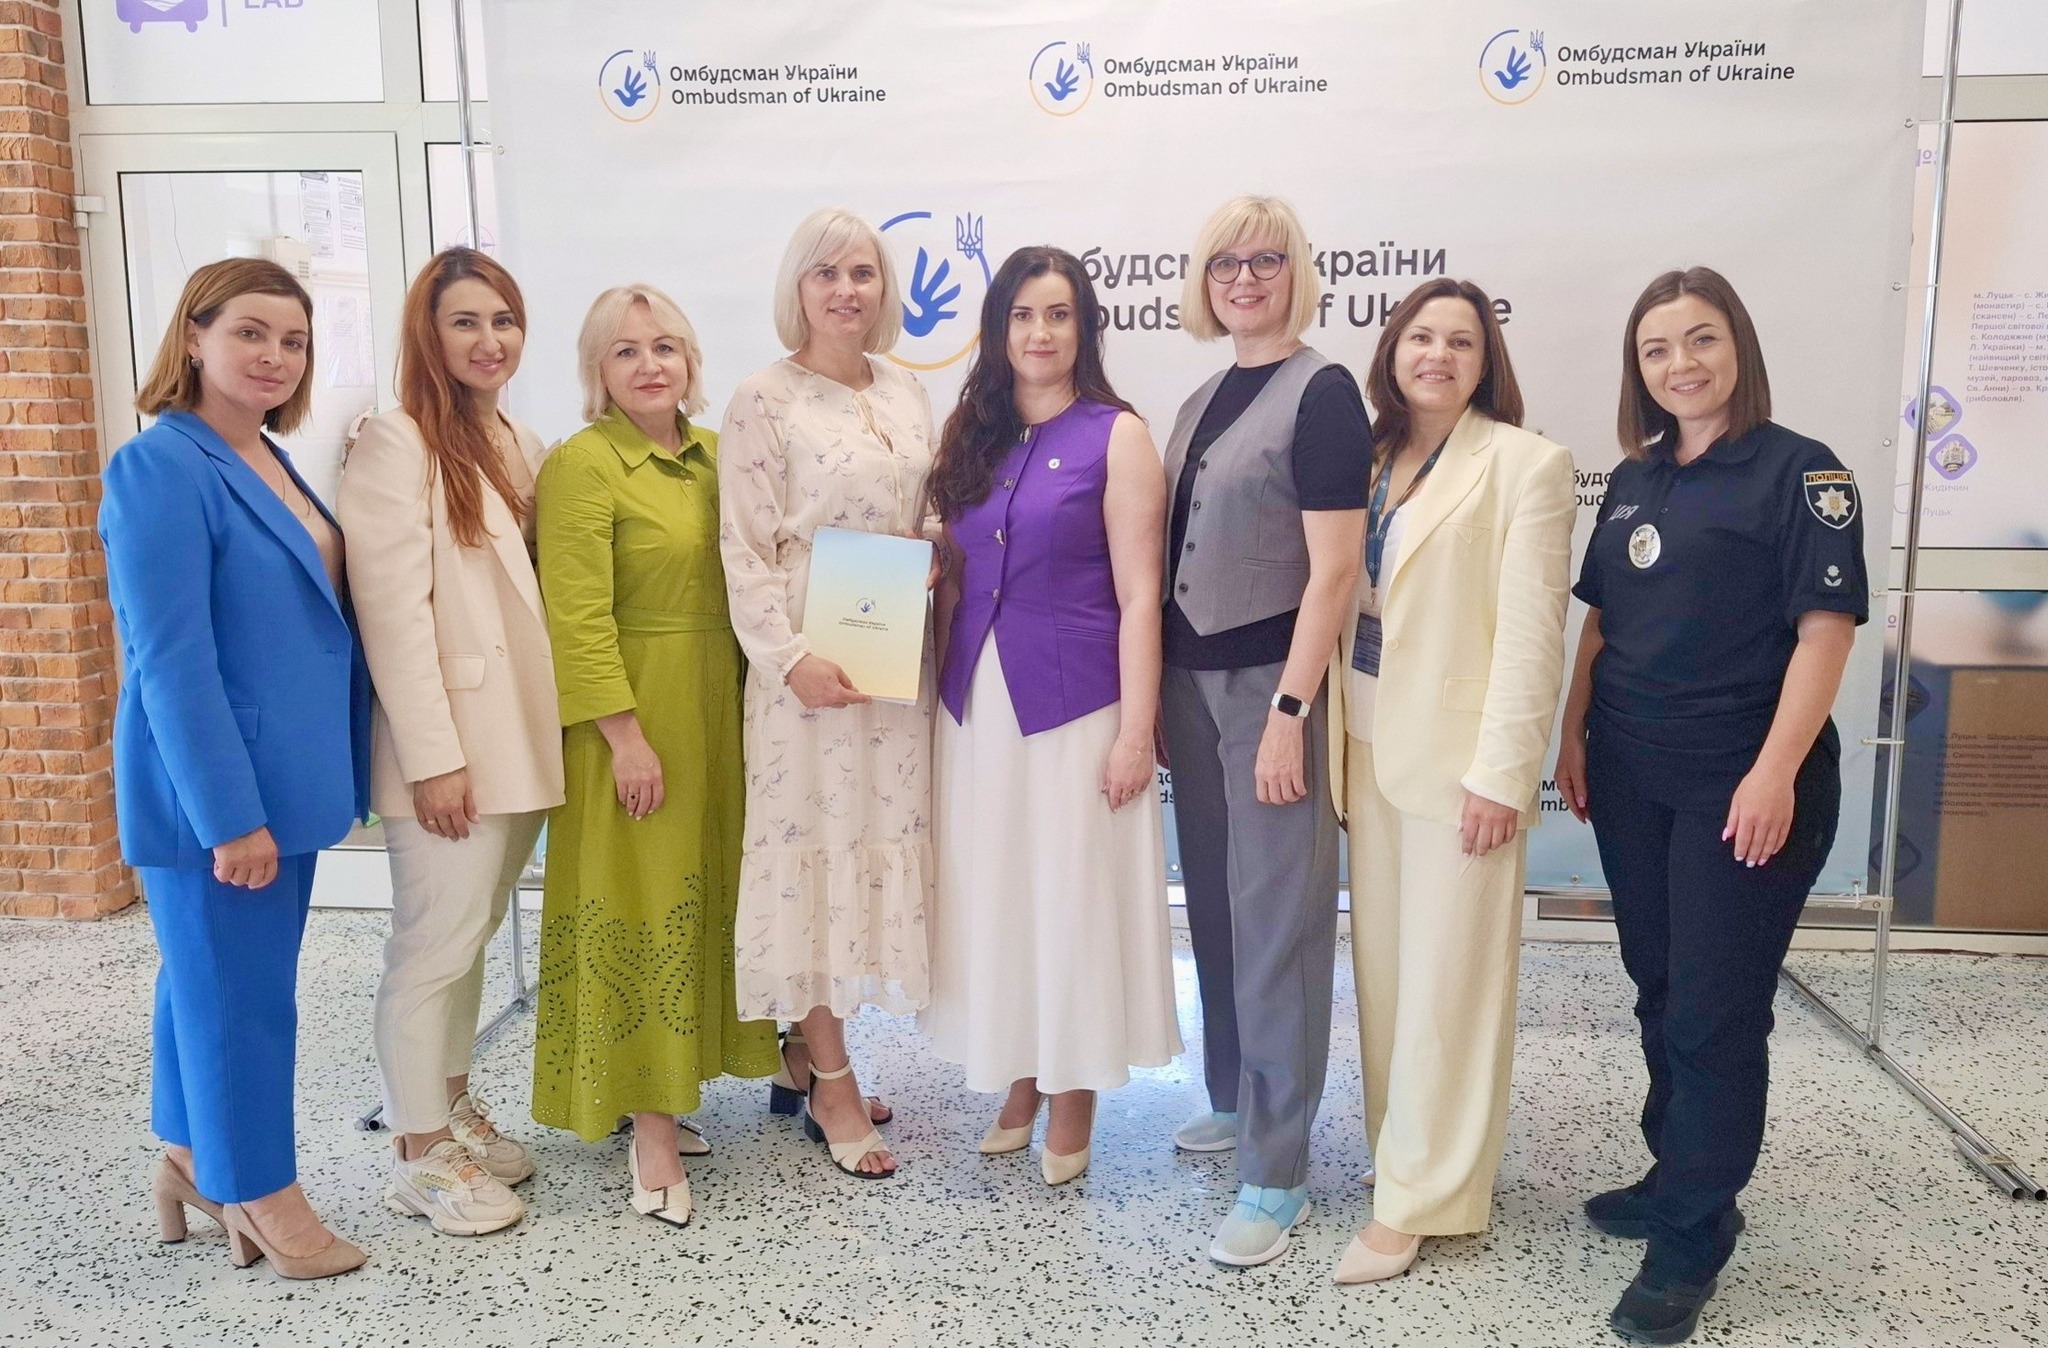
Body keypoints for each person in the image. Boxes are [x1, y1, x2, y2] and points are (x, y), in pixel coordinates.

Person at [1553, 267, 1866, 1344]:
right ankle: (1678, 1172)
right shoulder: (1635, 478)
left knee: (1713, 1012)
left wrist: (1774, 771)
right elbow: (1600, 621)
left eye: (1699, 339)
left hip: (1744, 783)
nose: (1679, 363)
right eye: (1656, 348)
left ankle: (1690, 1237)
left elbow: (1825, 633)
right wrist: (1571, 732)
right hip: (1632, 774)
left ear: (1738, 346)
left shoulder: (1801, 472)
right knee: (1659, 986)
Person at [102, 257, 372, 1279]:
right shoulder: (159, 466)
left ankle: (189, 1155)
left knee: (205, 980)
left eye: (293, 340)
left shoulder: (265, 455)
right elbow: (170, 660)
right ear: (194, 336)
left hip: (283, 780)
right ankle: (261, 1194)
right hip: (217, 796)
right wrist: (228, 817)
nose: (274, 356)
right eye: (250, 333)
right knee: (243, 1002)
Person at [1324, 279, 1576, 1284]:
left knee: (1450, 985)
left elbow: (1532, 639)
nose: (1436, 354)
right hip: (1364, 742)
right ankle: (1406, 1155)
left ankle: (1420, 1200)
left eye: (1460, 341)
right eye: (1420, 336)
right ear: (1392, 350)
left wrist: (1503, 776)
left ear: (1485, 362)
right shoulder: (1367, 460)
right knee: (1387, 978)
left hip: (1462, 761)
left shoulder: (1524, 464)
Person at [921, 247, 1183, 1185]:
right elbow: (953, 568)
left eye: (1059, 314)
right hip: (976, 706)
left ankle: (1074, 1094)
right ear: (998, 330)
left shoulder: (1119, 435)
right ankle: (1023, 1074)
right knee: (1003, 891)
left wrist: (1135, 733)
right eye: (1024, 315)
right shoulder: (971, 434)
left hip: (1077, 705)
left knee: (1071, 893)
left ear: (1085, 328)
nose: (1040, 332)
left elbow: (1142, 595)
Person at [532, 284, 781, 1226]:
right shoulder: (583, 464)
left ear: (691, 361)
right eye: (627, 350)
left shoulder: (720, 455)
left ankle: (679, 1083)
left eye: (666, 346)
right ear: (598, 369)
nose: (650, 365)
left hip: (724, 706)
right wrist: (624, 736)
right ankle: (649, 1126)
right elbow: (577, 617)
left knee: (708, 893)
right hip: (635, 719)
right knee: (640, 903)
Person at [1158, 196, 1370, 1265]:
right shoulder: (1201, 396)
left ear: (1297, 273)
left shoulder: (1323, 393)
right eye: (1225, 262)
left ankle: (1276, 1171)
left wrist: (1291, 710)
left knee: (1277, 922)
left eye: (1266, 260)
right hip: (1187, 687)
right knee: (1214, 907)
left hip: (1269, 690)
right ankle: (1235, 1098)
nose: (1244, 277)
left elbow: (1335, 572)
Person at [338, 247, 563, 1235]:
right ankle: (417, 1153)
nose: (488, 340)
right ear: (426, 334)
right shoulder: (395, 443)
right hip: (453, 745)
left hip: (519, 737)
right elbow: (392, 613)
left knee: (469, 936)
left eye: (502, 320)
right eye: (464, 321)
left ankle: (452, 1103)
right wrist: (432, 759)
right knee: (430, 946)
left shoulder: (517, 438)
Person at [719, 207, 936, 1178]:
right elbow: (744, 547)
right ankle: (833, 1083)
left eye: (862, 272)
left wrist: (933, 554)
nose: (847, 290)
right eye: (826, 273)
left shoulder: (906, 389)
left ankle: (808, 1058)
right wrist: (788, 656)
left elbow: (928, 505)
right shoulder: (761, 399)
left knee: (869, 844)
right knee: (813, 856)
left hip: (891, 665)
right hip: (806, 676)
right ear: (797, 288)